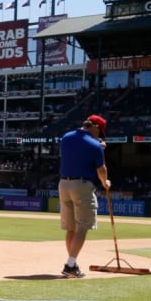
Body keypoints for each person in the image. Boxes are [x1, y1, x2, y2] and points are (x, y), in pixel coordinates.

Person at [57, 114, 111, 278]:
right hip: (81, 185)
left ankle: (72, 264)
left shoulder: (66, 137)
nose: (99, 135)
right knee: (82, 226)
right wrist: (105, 182)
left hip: (63, 184)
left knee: (70, 228)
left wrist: (97, 145)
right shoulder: (95, 145)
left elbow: (76, 150)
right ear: (94, 126)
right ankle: (70, 264)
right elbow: (101, 169)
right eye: (99, 131)